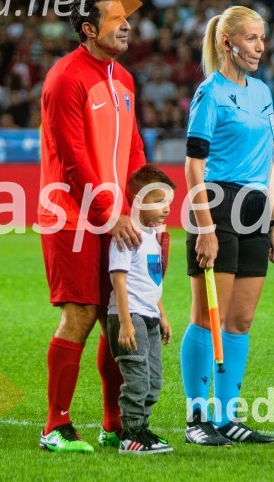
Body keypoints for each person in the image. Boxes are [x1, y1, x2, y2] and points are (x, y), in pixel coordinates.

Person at [37, 0, 146, 453]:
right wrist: (109, 211)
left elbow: (134, 147)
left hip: (116, 216)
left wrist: (144, 201)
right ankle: (55, 426)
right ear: (87, 29)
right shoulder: (65, 78)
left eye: (127, 19)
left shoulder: (123, 77)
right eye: (115, 19)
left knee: (117, 315)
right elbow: (71, 158)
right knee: (80, 314)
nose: (127, 25)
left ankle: (112, 423)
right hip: (71, 216)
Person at [181, 5, 274, 446]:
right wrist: (204, 227)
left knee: (240, 320)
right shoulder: (210, 94)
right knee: (208, 318)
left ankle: (227, 418)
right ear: (227, 43)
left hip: (256, 208)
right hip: (217, 205)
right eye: (252, 38)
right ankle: (196, 418)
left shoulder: (263, 92)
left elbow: (269, 161)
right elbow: (192, 166)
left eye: (263, 37)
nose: (261, 46)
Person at [107, 165, 176, 455]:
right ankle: (129, 435)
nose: (167, 210)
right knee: (136, 380)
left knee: (153, 380)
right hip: (130, 316)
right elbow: (118, 280)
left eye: (168, 203)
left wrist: (162, 314)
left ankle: (143, 429)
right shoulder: (127, 235)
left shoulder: (152, 237)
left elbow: (152, 280)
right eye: (159, 201)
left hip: (149, 317)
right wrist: (124, 322)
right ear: (137, 201)